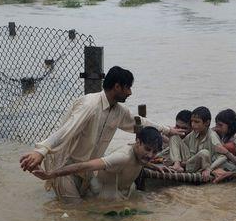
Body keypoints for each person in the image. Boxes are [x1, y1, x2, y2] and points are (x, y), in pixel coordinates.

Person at [19, 66, 185, 201]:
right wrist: (40, 151)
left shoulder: (119, 111)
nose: (130, 93)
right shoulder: (90, 105)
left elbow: (140, 122)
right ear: (117, 87)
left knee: (89, 208)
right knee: (73, 214)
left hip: (88, 168)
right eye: (128, 87)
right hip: (65, 165)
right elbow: (65, 131)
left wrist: (169, 130)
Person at [32, 127, 163, 201]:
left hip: (121, 192)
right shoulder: (122, 157)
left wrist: (152, 165)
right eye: (147, 149)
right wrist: (50, 175)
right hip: (103, 196)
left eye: (155, 152)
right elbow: (85, 166)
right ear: (138, 142)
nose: (151, 155)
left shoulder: (141, 156)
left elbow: (137, 162)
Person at [168, 106, 227, 181]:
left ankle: (181, 165)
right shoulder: (193, 133)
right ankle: (177, 165)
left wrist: (209, 169)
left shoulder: (212, 137)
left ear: (207, 123)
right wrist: (159, 156)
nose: (192, 124)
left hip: (199, 168)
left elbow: (223, 157)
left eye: (196, 122)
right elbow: (178, 145)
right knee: (174, 137)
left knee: (204, 153)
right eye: (192, 121)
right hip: (188, 162)